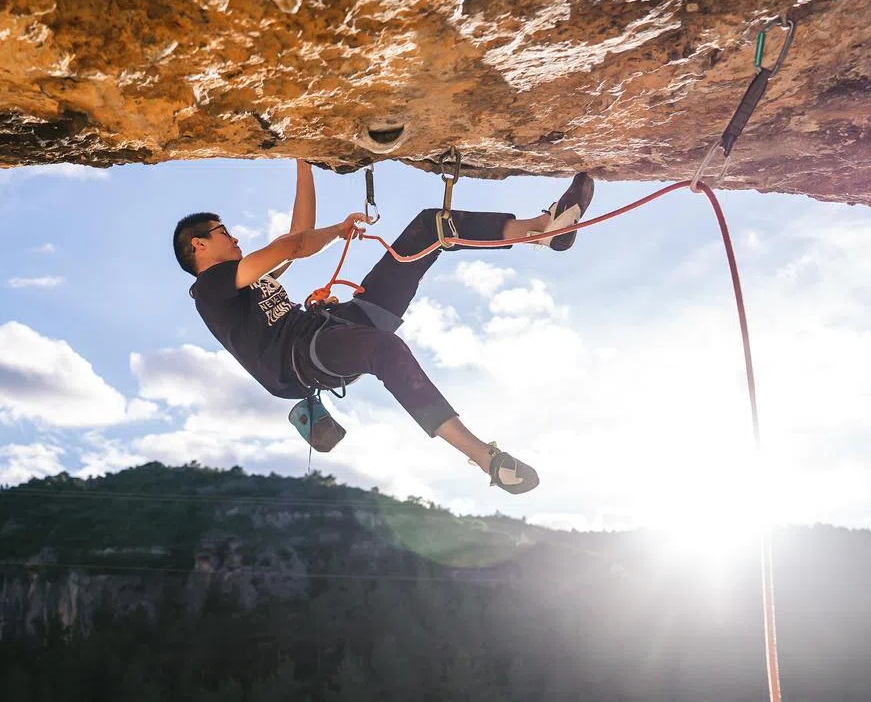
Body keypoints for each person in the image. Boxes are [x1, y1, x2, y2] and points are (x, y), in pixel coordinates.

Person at [172, 160, 594, 494]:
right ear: (199, 245)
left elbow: (298, 234)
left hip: (333, 328)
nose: (235, 238)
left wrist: (302, 160)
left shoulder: (247, 280)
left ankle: (542, 230)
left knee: (428, 229)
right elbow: (295, 245)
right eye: (223, 232)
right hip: (305, 359)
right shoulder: (209, 288)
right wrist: (337, 231)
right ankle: (485, 457)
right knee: (386, 351)